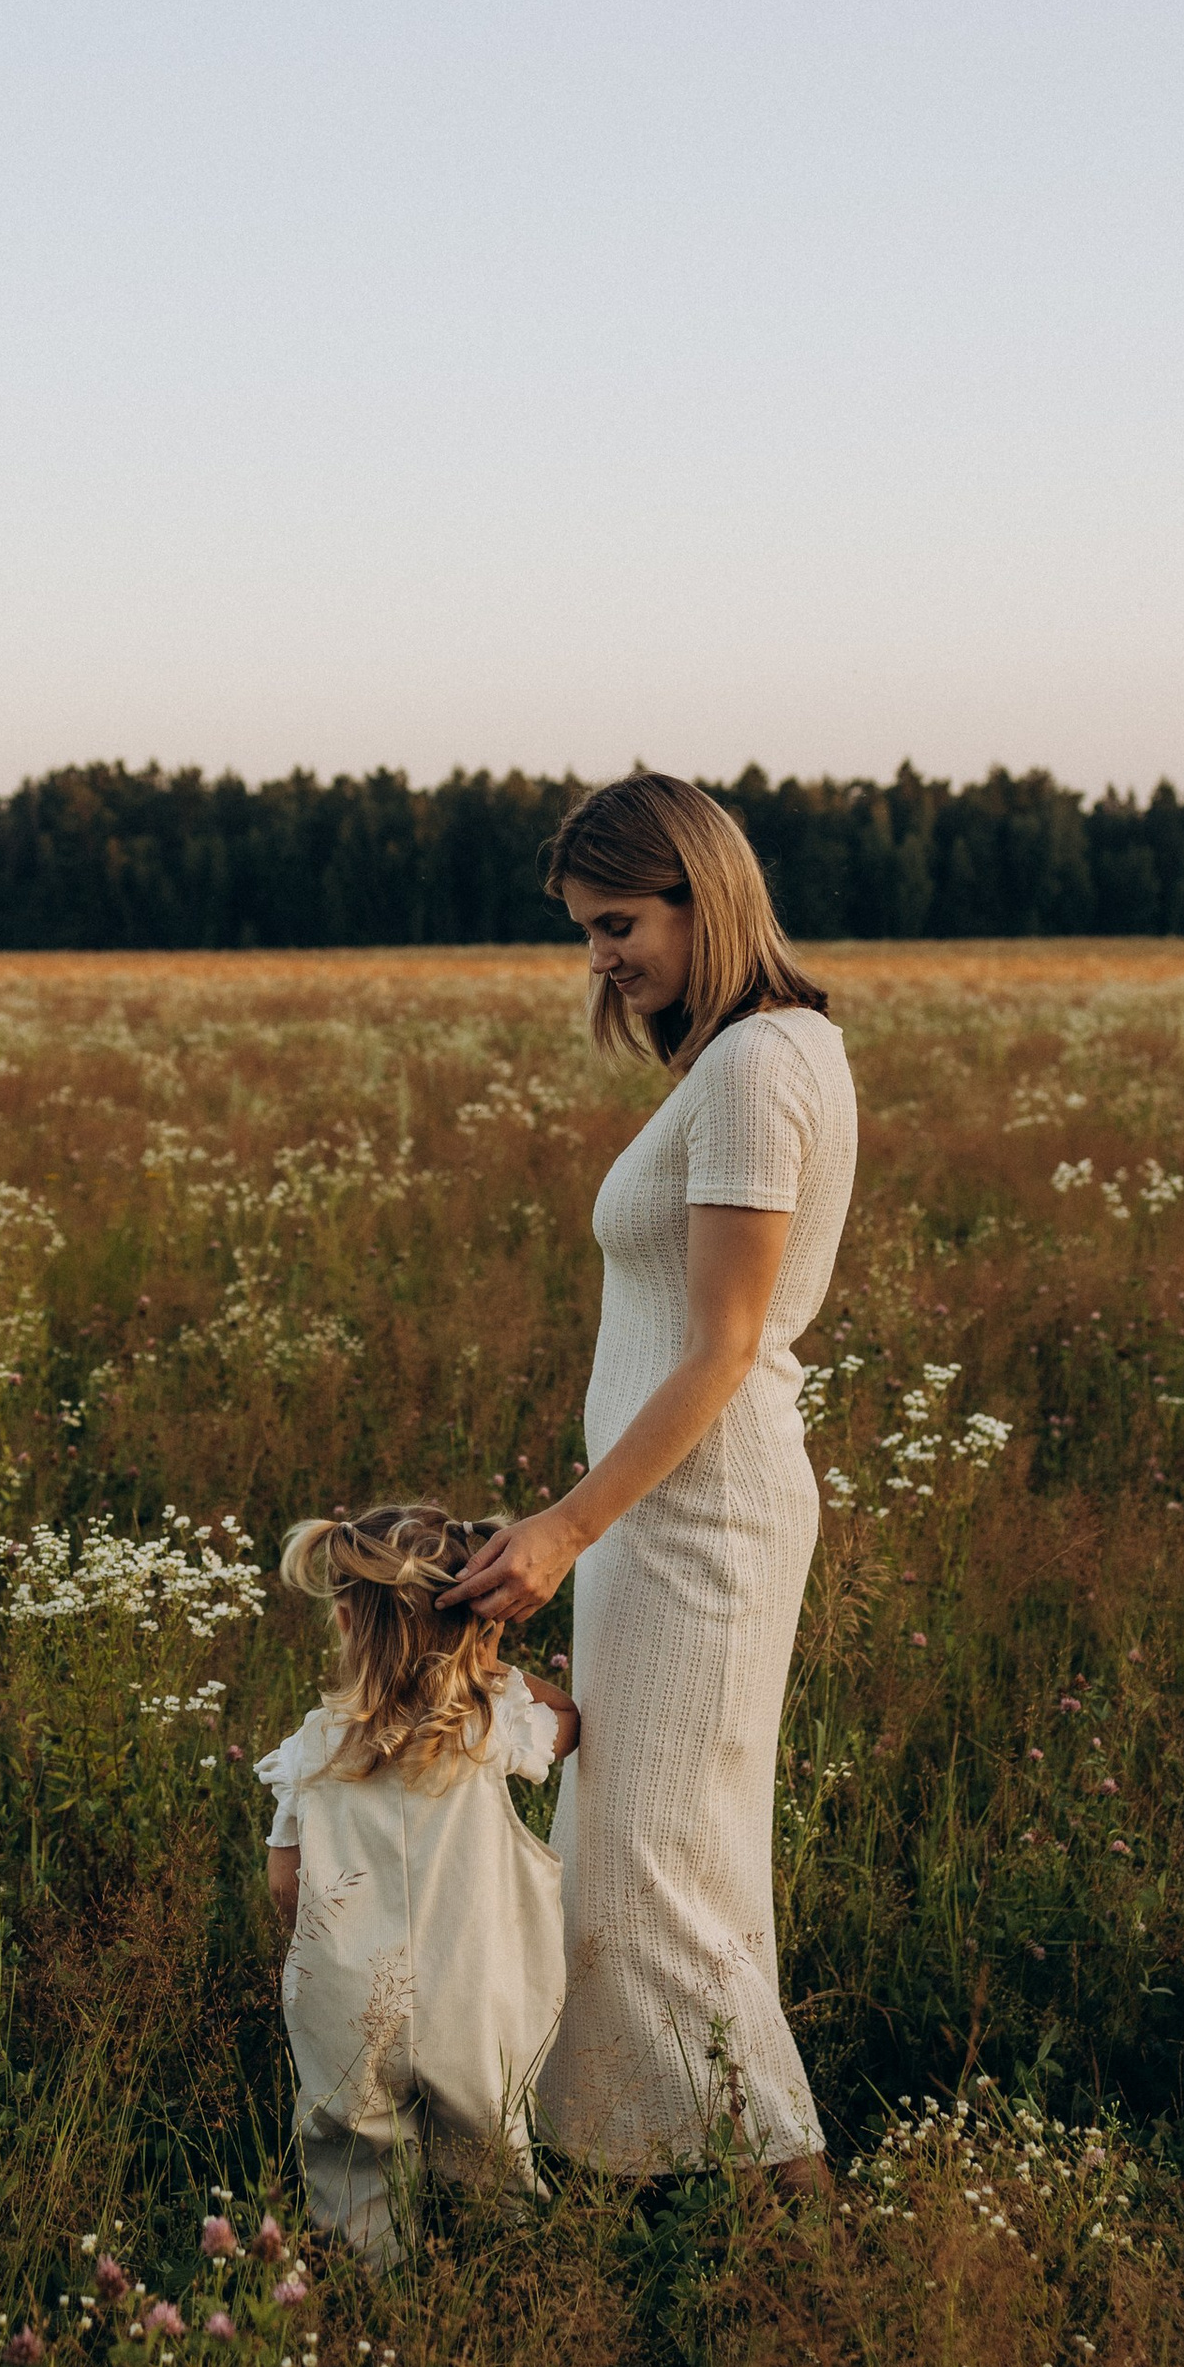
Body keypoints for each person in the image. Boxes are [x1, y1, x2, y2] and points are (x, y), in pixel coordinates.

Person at [440, 773, 857, 2187]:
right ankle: (665, 2207)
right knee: (679, 1879)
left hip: (700, 1521)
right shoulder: (764, 1053)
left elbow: (727, 1344)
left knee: (645, 1896)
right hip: (664, 1514)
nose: (600, 957)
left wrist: (563, 1527)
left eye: (618, 923)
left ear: (705, 896)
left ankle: (815, 2239)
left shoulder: (753, 1069)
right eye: (583, 930)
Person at [256, 1503, 580, 2252]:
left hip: (349, 2001)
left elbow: (285, 1883)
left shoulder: (314, 1748)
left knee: (348, 2144)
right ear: (479, 1625)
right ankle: (505, 2268)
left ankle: (366, 2272)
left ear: (343, 1623)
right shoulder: (489, 1729)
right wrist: (489, 1666)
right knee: (493, 2143)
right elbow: (569, 1717)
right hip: (471, 1989)